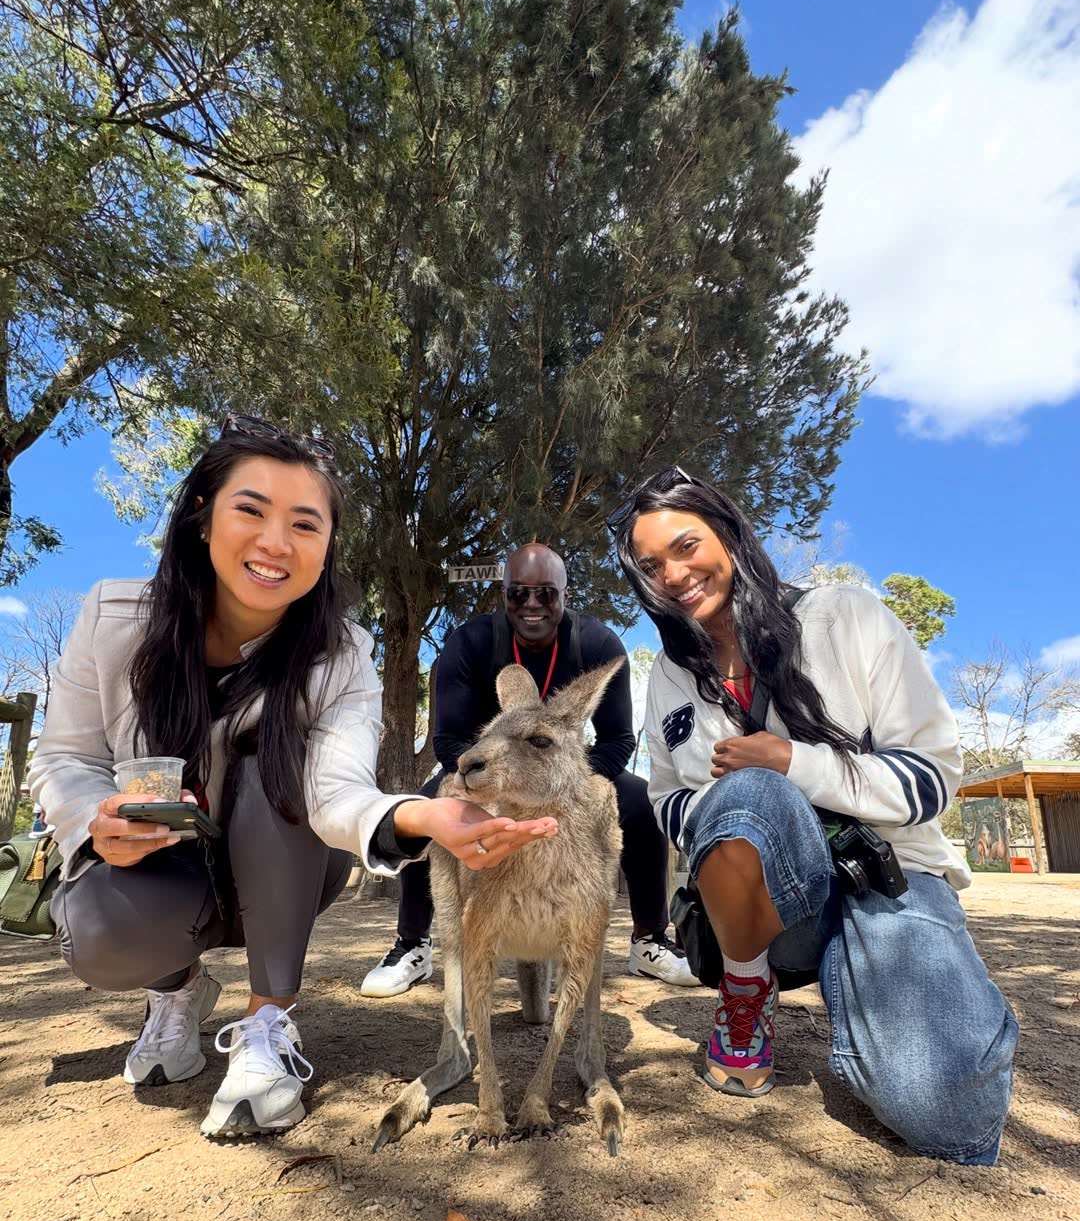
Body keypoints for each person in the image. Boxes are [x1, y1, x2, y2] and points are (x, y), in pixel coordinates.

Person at [30, 415, 557, 1139]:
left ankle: (266, 1023)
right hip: (161, 865)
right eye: (251, 510)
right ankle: (175, 991)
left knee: (276, 762)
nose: (276, 543)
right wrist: (96, 818)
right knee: (98, 933)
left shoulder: (341, 655)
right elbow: (65, 757)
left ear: (327, 544)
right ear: (202, 516)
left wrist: (422, 816)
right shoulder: (114, 617)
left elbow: (334, 791)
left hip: (284, 861)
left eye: (305, 524)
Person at [611, 468, 1017, 1165]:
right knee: (746, 794)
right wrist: (743, 796)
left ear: (729, 535)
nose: (673, 575)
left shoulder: (845, 615)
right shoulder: (671, 675)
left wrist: (794, 761)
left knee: (951, 1118)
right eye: (650, 567)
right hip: (765, 907)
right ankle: (746, 985)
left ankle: (883, 975)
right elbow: (668, 800)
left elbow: (932, 778)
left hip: (887, 871)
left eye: (686, 545)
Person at [360, 542, 700, 996]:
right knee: (424, 808)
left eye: (546, 593)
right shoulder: (471, 642)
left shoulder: (596, 644)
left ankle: (649, 938)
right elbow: (447, 739)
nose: (532, 604)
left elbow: (618, 739)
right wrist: (499, 785)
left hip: (564, 770)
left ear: (564, 594)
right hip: (483, 770)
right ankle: (412, 943)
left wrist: (564, 786)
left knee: (641, 803)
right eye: (518, 593)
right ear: (504, 594)